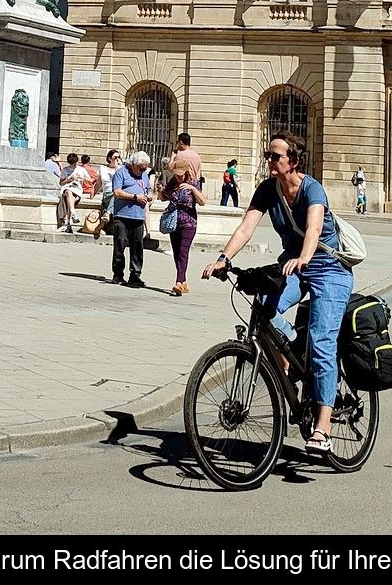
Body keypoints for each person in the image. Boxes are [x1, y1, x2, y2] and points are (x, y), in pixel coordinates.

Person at [202, 132, 354, 455]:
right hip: (294, 266)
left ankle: (323, 429)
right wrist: (223, 259)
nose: (268, 160)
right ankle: (289, 356)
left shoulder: (313, 189)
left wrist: (304, 257)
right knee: (265, 308)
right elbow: (246, 227)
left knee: (322, 340)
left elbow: (313, 228)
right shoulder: (268, 189)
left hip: (328, 268)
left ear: (293, 161)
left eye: (275, 156)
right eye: (268, 155)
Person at [161, 158, 206, 296]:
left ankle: (179, 282)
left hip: (189, 222)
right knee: (176, 252)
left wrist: (192, 189)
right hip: (174, 222)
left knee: (183, 251)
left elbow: (203, 201)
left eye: (180, 174)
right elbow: (163, 198)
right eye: (176, 174)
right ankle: (184, 281)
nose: (178, 177)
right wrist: (161, 191)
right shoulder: (173, 183)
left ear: (186, 172)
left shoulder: (193, 183)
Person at [111, 151, 152, 287]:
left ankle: (135, 275)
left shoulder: (145, 176)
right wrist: (135, 197)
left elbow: (149, 191)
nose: (142, 170)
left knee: (137, 247)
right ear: (133, 164)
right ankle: (118, 274)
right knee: (120, 244)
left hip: (138, 216)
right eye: (141, 168)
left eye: (145, 168)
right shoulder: (121, 173)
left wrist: (149, 196)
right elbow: (117, 192)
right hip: (122, 215)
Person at [57, 153, 91, 233]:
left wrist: (81, 177)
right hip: (67, 188)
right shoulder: (65, 170)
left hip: (77, 190)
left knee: (70, 200)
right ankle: (73, 213)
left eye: (74, 164)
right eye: (71, 164)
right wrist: (68, 180)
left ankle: (69, 223)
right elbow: (61, 183)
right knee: (69, 192)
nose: (73, 166)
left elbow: (90, 180)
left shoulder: (81, 169)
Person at [97, 149, 121, 231]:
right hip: (107, 194)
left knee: (116, 194)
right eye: (115, 157)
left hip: (118, 194)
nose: (117, 159)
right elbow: (98, 183)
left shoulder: (121, 169)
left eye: (118, 157)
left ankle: (106, 215)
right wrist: (92, 194)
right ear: (110, 158)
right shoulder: (102, 168)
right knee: (114, 195)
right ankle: (107, 216)